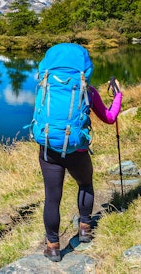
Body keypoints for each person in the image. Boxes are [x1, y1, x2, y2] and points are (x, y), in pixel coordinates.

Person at [41, 80, 122, 262]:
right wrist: (118, 96)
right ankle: (85, 229)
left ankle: (53, 247)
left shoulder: (47, 88)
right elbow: (109, 118)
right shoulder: (88, 91)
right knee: (85, 184)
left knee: (52, 197)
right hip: (77, 150)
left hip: (49, 149)